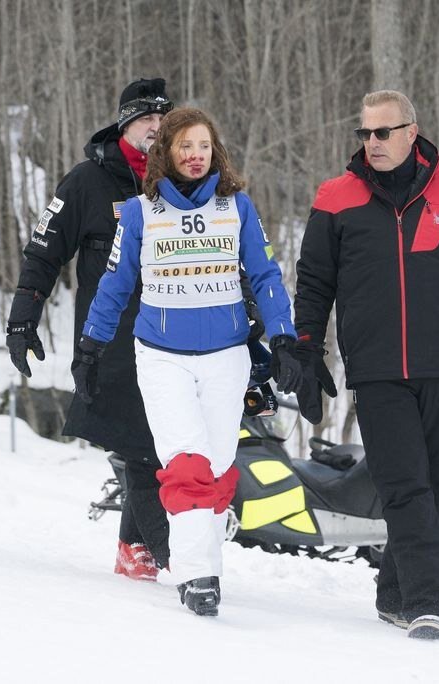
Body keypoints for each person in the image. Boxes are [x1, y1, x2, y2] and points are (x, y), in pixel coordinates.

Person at [281, 90, 439, 640]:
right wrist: (307, 347)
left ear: (411, 132)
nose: (371, 144)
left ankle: (394, 589)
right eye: (363, 135)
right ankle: (429, 602)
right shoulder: (335, 198)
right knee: (405, 484)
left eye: (382, 133)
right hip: (376, 370)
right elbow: (315, 282)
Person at [75, 107, 296, 617]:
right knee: (188, 464)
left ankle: (202, 563)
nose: (196, 156)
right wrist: (91, 346)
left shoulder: (236, 207)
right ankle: (198, 576)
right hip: (162, 358)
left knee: (218, 472)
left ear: (214, 149)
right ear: (166, 153)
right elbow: (115, 285)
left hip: (226, 357)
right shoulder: (139, 213)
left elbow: (265, 275)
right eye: (185, 147)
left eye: (203, 145)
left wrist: (284, 338)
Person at [6, 78, 174, 580]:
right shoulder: (86, 181)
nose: (156, 129)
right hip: (111, 337)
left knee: (164, 443)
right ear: (126, 123)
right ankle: (157, 553)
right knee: (143, 443)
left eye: (165, 120)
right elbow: (43, 251)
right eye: (147, 118)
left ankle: (137, 548)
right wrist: (22, 319)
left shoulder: (182, 181)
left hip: (173, 332)